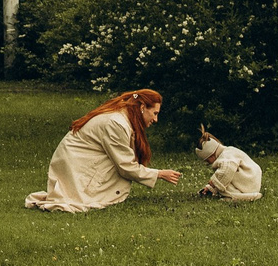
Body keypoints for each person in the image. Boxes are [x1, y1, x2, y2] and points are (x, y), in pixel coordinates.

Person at [24, 89, 181, 212]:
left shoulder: (123, 119)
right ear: (142, 107)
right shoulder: (116, 123)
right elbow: (125, 166)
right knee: (116, 166)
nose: (155, 119)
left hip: (77, 161)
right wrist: (158, 174)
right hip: (75, 163)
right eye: (154, 113)